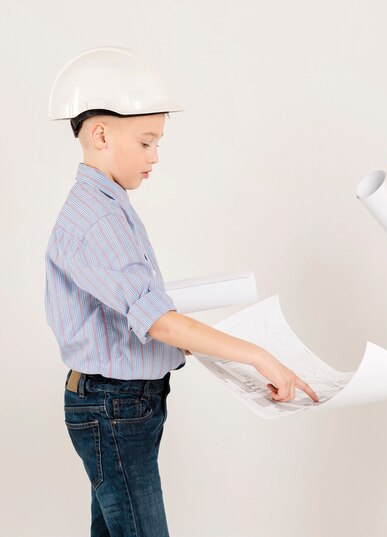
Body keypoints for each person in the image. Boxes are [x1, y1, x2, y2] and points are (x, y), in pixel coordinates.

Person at [45, 46, 318, 537]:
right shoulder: (99, 218)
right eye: (147, 142)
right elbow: (156, 321)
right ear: (101, 134)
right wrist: (258, 356)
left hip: (122, 402)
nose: (155, 157)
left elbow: (137, 303)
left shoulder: (106, 202)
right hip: (114, 405)